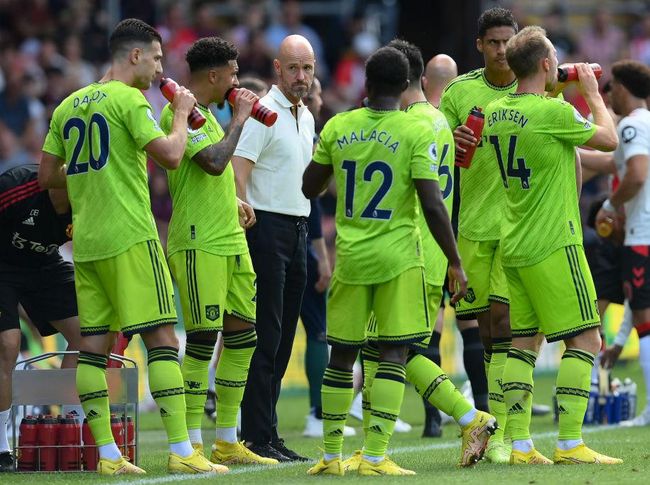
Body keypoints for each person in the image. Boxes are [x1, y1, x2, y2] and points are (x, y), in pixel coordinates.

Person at [38, 19, 226, 475]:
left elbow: (46, 177)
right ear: (135, 55)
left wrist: (90, 174)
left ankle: (107, 456)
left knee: (93, 348)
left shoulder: (68, 105)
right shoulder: (128, 100)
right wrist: (182, 111)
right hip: (131, 237)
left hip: (88, 244)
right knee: (162, 338)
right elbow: (173, 155)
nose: (163, 67)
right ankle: (183, 452)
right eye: (158, 57)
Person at [303, 45, 495, 477]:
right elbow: (434, 198)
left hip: (369, 256)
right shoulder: (427, 126)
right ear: (410, 81)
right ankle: (387, 449)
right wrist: (455, 259)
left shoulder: (344, 126)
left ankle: (335, 454)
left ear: (367, 84)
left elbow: (310, 186)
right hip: (405, 255)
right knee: (392, 352)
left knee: (357, 352)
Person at [483, 25, 621, 465]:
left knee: (524, 342)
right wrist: (591, 91)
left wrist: (552, 83)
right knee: (586, 338)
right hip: (554, 241)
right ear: (547, 64)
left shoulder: (495, 109)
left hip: (515, 244)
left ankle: (521, 443)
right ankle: (569, 442)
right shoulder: (554, 114)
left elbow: (531, 108)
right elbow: (609, 139)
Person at [160, 36, 278, 466]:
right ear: (214, 75)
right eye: (231, 72)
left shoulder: (207, 114)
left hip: (229, 238)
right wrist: (241, 119)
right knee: (203, 340)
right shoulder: (181, 113)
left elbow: (211, 177)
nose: (235, 80)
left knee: (243, 338)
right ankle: (188, 445)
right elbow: (211, 161)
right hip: (198, 242)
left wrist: (235, 201)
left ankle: (227, 439)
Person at [438, 7, 518, 463]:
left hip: (517, 226)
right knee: (485, 331)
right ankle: (488, 422)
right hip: (470, 227)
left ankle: (505, 434)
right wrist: (451, 140)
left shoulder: (534, 86)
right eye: (494, 42)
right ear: (479, 45)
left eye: (508, 41)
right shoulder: (459, 91)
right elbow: (433, 149)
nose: (502, 50)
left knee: (507, 324)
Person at [231, 34, 315, 462]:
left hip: (297, 228)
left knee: (282, 339)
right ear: (278, 70)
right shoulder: (264, 112)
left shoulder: (307, 115)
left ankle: (268, 433)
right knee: (267, 335)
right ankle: (256, 436)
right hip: (267, 229)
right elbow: (239, 167)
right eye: (294, 68)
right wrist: (243, 206)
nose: (302, 77)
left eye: (308, 68)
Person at [421, 51, 489, 435]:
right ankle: (481, 408)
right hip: (463, 228)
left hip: (429, 232)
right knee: (470, 323)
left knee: (431, 325)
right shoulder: (466, 123)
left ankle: (433, 418)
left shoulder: (418, 121)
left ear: (426, 82)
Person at [0, 164, 80, 472]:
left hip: (45, 265)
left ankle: (71, 431)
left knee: (90, 333)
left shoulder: (88, 201)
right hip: (2, 268)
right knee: (7, 345)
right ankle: (2, 449)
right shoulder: (16, 186)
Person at [595, 59, 650, 427]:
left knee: (646, 322)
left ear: (623, 88)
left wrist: (608, 206)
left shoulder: (632, 126)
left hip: (643, 235)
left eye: (609, 88)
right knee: (642, 309)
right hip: (642, 233)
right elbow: (607, 163)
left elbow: (636, 173)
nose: (606, 94)